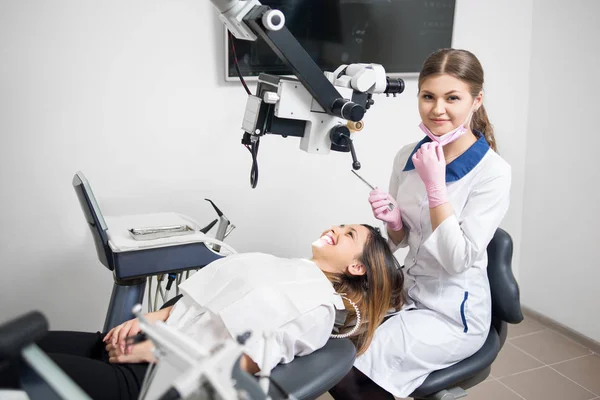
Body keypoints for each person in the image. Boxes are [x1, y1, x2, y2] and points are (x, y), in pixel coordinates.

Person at [0, 224, 404, 400]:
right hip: (146, 343)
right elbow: (204, 300)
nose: (336, 228)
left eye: (349, 235)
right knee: (21, 345)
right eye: (344, 225)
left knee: (14, 368)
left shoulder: (315, 310)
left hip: (152, 381)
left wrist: (158, 353)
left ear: (357, 267)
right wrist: (147, 322)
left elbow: (242, 363)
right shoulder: (289, 267)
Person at [329, 48, 512, 399]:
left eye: (452, 98)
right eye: (428, 96)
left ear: (476, 101)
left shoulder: (493, 173)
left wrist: (435, 186)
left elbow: (457, 259)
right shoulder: (408, 155)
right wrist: (394, 222)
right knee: (334, 347)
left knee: (352, 378)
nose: (437, 109)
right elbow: (398, 242)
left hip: (452, 314)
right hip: (409, 293)